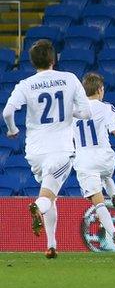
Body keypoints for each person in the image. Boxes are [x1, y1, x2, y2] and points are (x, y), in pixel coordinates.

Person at [2, 39, 92, 258]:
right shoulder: (69, 79)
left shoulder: (25, 84)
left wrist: (13, 129)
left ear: (33, 62)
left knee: (51, 193)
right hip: (60, 151)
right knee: (46, 197)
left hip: (35, 152)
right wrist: (69, 113)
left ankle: (52, 244)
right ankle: (37, 206)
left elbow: (7, 112)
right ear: (54, 59)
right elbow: (86, 113)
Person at [73, 72, 115, 256]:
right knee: (106, 174)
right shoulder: (106, 108)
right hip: (105, 158)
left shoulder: (74, 110)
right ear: (100, 90)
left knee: (98, 203)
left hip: (84, 160)